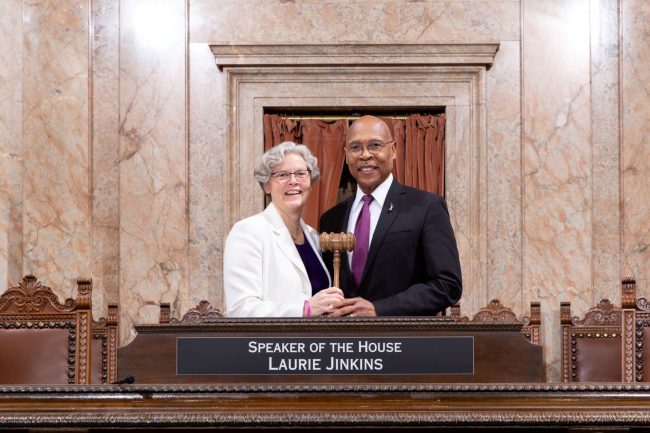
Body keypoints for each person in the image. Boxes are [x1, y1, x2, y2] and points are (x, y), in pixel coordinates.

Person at [319, 115, 462, 317]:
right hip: (345, 343)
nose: (365, 155)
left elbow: (447, 285)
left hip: (405, 342)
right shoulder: (331, 218)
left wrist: (379, 309)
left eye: (375, 145)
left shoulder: (426, 207)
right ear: (345, 154)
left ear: (393, 150)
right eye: (355, 147)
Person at [224, 141, 344, 317]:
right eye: (282, 175)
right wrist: (305, 309)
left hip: (315, 343)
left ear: (311, 182)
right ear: (266, 185)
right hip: (271, 344)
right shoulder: (247, 232)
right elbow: (241, 309)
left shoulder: (313, 236)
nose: (293, 181)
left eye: (301, 174)